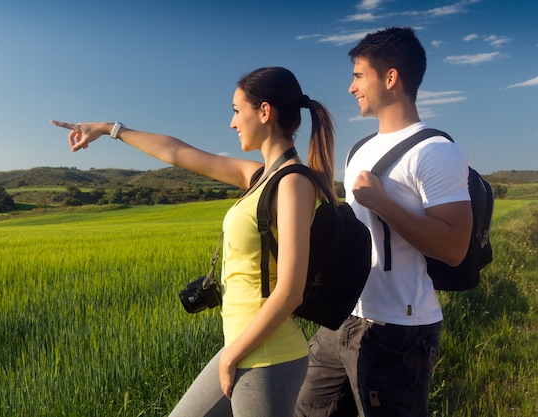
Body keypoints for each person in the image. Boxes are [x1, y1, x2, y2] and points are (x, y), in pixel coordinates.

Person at [51, 66, 339, 417]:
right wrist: (110, 129)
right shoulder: (259, 175)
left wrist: (232, 355)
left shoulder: (294, 184)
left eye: (236, 110)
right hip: (243, 347)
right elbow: (178, 153)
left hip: (268, 357)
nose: (232, 123)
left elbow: (291, 291)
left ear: (264, 112)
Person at [294, 27, 473, 417]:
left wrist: (380, 201)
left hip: (399, 332)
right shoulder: (360, 149)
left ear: (391, 77)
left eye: (358, 76)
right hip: (342, 317)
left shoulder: (435, 151)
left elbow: (455, 247)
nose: (351, 87)